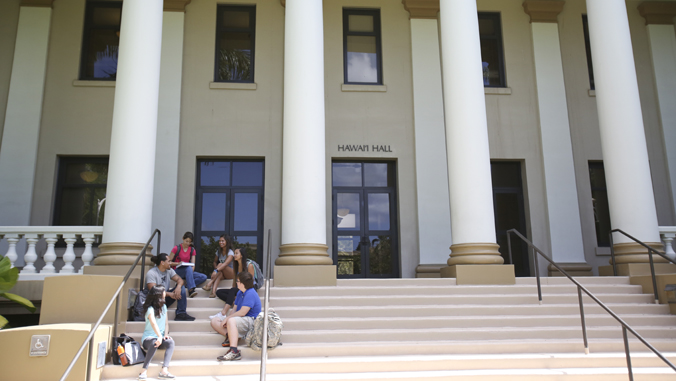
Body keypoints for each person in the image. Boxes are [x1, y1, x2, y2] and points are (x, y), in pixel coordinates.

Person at [211, 271, 261, 361]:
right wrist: (228, 319)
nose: (236, 282)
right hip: (240, 320)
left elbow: (242, 312)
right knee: (214, 321)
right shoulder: (240, 293)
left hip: (251, 321)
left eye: (237, 281)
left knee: (231, 320)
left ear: (242, 283)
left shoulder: (250, 293)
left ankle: (234, 351)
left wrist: (228, 319)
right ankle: (232, 336)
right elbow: (234, 310)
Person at [209, 248, 256, 325]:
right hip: (239, 289)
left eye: (236, 253)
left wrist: (236, 292)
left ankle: (223, 314)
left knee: (233, 290)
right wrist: (235, 293)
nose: (234, 255)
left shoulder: (249, 265)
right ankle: (234, 302)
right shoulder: (236, 265)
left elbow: (251, 283)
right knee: (219, 292)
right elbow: (235, 283)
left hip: (247, 289)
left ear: (241, 255)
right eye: (234, 253)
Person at [139, 285, 175, 380]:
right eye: (163, 291)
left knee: (171, 342)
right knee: (154, 341)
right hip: (148, 338)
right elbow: (153, 324)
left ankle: (164, 370)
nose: (165, 292)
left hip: (160, 337)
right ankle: (143, 371)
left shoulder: (164, 307)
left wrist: (165, 335)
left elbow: (166, 323)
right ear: (159, 294)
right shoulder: (150, 309)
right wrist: (159, 336)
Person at [146, 253, 195, 321]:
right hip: (155, 301)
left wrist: (178, 286)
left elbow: (179, 280)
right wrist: (169, 294)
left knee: (181, 287)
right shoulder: (151, 273)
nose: (171, 263)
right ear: (162, 263)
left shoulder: (169, 270)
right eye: (169, 261)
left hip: (164, 298)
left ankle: (181, 314)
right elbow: (154, 291)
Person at [169, 232, 207, 298]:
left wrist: (190, 274)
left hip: (188, 271)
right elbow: (168, 262)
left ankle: (187, 284)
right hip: (177, 271)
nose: (188, 243)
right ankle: (191, 290)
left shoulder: (192, 250)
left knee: (203, 277)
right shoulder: (176, 248)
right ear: (183, 239)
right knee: (188, 268)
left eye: (190, 242)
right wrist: (178, 263)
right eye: (186, 241)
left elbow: (193, 264)